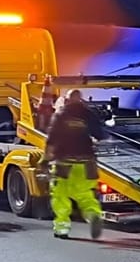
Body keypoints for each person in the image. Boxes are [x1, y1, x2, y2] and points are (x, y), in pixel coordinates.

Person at [42, 89, 107, 240]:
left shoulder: (61, 115)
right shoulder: (88, 114)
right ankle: (93, 216)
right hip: (87, 164)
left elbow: (52, 140)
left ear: (67, 100)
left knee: (60, 196)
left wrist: (44, 160)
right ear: (81, 100)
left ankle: (62, 229)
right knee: (86, 195)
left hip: (65, 164)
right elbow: (100, 135)